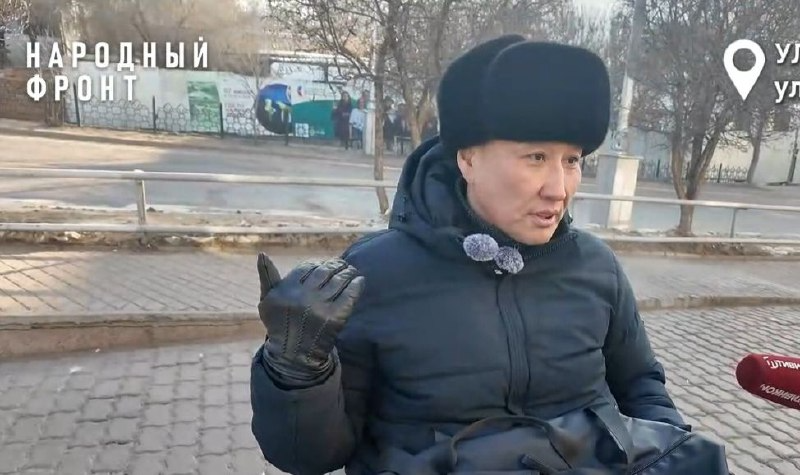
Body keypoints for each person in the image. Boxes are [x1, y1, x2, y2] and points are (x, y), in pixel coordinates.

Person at [250, 36, 699, 475]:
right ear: (467, 159)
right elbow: (309, 457)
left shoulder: (597, 266)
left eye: (572, 161)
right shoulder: (374, 274)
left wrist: (673, 453)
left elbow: (641, 384)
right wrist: (295, 370)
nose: (558, 189)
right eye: (536, 157)